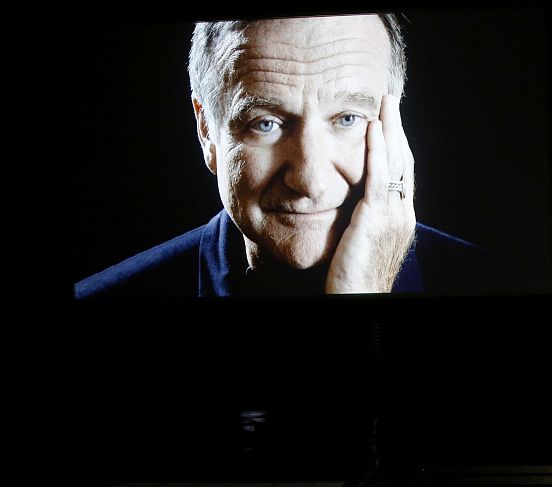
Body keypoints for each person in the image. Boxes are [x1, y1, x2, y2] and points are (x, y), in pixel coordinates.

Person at [74, 13, 497, 298]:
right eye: (266, 123)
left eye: (347, 118)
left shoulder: (494, 281)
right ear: (207, 132)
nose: (309, 180)